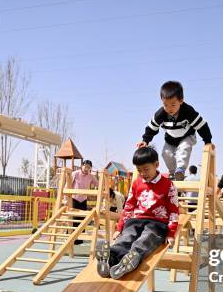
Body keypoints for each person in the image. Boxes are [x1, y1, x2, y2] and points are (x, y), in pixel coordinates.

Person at [95, 147, 178, 280]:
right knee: (127, 236)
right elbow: (129, 206)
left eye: (146, 169)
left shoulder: (168, 185)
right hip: (136, 219)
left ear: (156, 165)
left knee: (146, 239)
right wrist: (120, 227)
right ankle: (110, 258)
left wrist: (171, 233)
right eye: (139, 170)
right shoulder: (136, 183)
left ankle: (131, 258)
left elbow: (174, 210)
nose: (143, 173)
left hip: (157, 223)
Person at [136, 81, 213, 181]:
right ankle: (173, 173)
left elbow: (202, 126)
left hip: (187, 136)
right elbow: (152, 127)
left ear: (181, 101)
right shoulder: (160, 114)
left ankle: (180, 169)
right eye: (165, 105)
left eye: (173, 105)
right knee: (165, 153)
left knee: (184, 148)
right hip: (171, 139)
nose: (169, 109)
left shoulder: (188, 112)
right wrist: (145, 140)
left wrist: (208, 141)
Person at [71, 159, 98, 244]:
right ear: (82, 166)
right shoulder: (75, 173)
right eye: (85, 166)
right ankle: (71, 238)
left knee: (82, 219)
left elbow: (98, 184)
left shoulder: (90, 176)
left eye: (89, 167)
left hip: (83, 199)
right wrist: (65, 197)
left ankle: (80, 239)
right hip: (74, 198)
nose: (86, 168)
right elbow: (68, 184)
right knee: (74, 218)